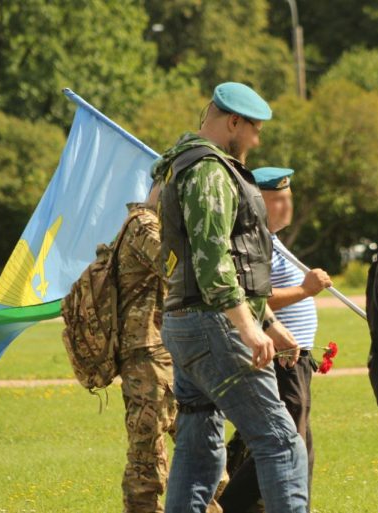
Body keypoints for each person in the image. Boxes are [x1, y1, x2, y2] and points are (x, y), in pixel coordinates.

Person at [154, 82, 309, 513]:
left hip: (185, 324)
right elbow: (214, 260)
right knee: (281, 442)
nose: (257, 140)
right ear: (233, 122)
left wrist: (269, 325)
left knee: (199, 448)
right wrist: (248, 328)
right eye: (254, 128)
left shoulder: (175, 166)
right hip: (214, 325)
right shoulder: (209, 172)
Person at [218, 167, 332, 513]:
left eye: (289, 198)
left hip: (295, 357)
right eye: (278, 199)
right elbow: (251, 299)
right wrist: (305, 289)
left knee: (302, 443)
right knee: (284, 441)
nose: (286, 206)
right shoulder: (255, 240)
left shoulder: (273, 239)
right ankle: (230, 505)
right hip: (279, 356)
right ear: (257, 201)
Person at [115, 189, 176, 513]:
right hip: (145, 353)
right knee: (147, 449)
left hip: (166, 350)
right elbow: (174, 267)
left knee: (201, 439)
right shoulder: (144, 225)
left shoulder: (154, 224)